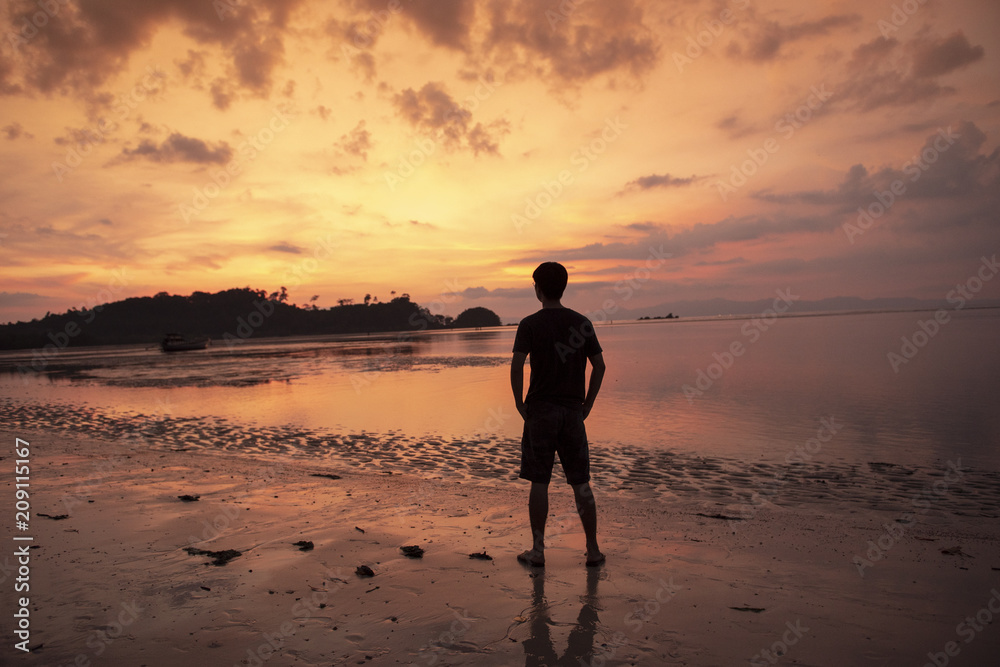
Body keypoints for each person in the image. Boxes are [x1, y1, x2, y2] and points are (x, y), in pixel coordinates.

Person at [510, 261, 606, 567]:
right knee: (581, 482)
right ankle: (592, 549)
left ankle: (538, 551)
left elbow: (516, 365)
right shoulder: (581, 322)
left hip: (540, 411)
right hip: (571, 412)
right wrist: (588, 403)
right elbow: (600, 366)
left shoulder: (530, 324)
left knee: (540, 480)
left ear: (538, 289)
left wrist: (518, 402)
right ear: (563, 287)